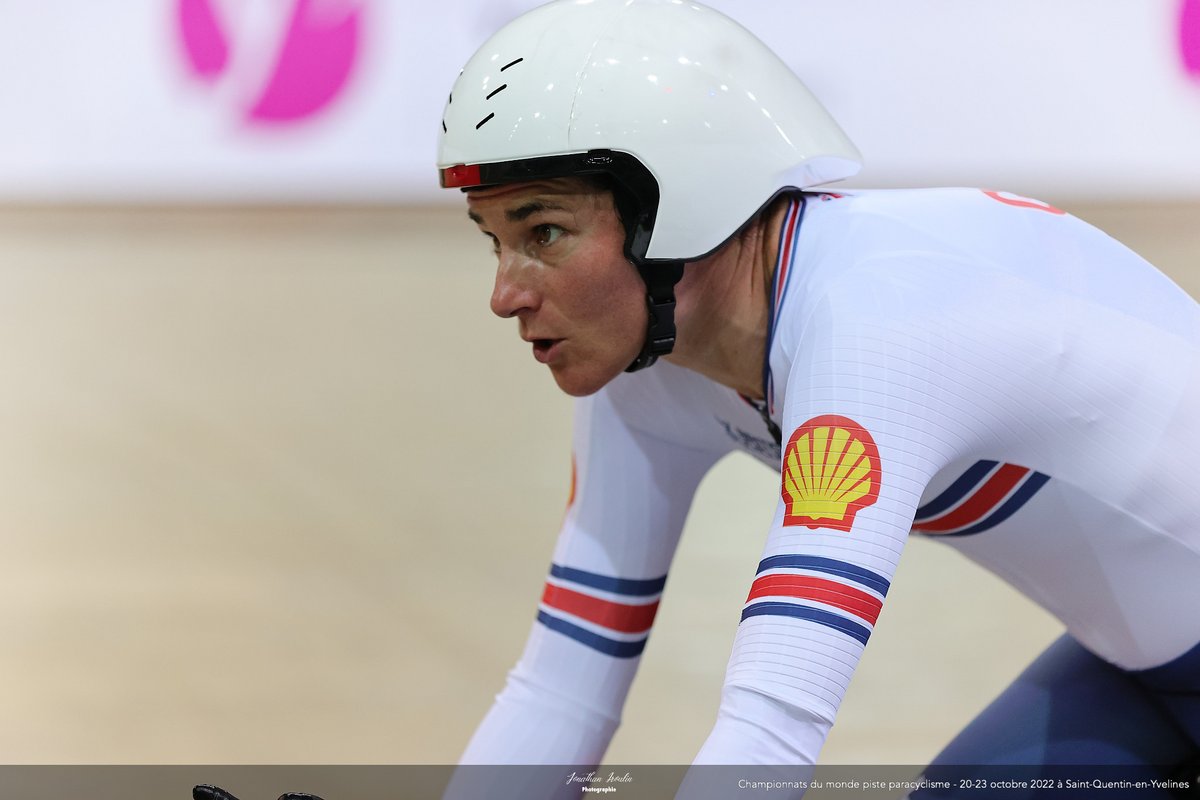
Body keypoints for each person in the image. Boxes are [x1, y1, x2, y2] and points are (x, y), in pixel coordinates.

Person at [436, 0, 1200, 797]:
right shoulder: (648, 364)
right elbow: (558, 692)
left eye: (543, 233)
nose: (504, 295)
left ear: (678, 207)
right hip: (1140, 669)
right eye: (495, 240)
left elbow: (768, 738)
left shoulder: (877, 322)